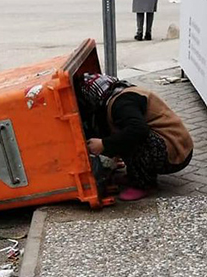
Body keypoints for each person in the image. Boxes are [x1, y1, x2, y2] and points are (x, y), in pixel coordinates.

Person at [79, 73, 193, 201]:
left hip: (176, 151)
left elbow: (138, 131)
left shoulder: (121, 104)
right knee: (126, 134)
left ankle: (144, 184)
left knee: (133, 135)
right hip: (176, 145)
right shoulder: (122, 93)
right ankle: (135, 176)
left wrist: (104, 144)